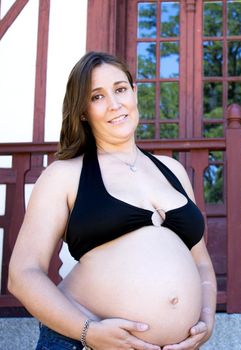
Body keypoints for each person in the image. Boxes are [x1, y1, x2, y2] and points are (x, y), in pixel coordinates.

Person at [8, 51, 217, 350]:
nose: (114, 104)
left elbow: (202, 264)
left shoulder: (174, 172)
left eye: (120, 89)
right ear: (82, 111)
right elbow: (23, 275)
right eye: (97, 96)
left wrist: (207, 319)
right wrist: (88, 332)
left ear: (134, 93)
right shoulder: (64, 175)